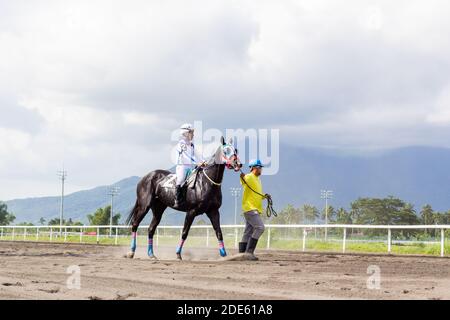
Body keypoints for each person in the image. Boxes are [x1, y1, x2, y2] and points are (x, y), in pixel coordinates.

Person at [239, 159, 269, 260]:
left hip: (253, 208)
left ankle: (241, 254)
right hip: (250, 208)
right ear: (253, 168)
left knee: (248, 232)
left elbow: (256, 195)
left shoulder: (258, 180)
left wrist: (264, 196)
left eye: (261, 167)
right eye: (259, 167)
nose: (261, 169)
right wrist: (242, 177)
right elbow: (243, 179)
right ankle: (249, 253)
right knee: (260, 228)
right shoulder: (249, 176)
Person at [174, 123, 204, 207]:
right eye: (191, 132)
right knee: (180, 180)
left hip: (190, 166)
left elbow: (197, 155)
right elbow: (186, 156)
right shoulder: (181, 144)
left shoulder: (191, 144)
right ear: (185, 133)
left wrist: (204, 161)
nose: (193, 134)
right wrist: (197, 163)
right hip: (182, 166)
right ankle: (177, 200)